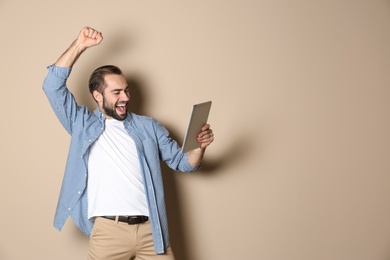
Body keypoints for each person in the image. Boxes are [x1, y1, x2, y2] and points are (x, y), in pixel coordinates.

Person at [42, 26, 214, 260]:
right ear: (97, 95)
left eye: (126, 91)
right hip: (108, 232)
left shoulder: (148, 127)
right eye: (116, 92)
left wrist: (199, 147)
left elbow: (183, 163)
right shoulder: (81, 123)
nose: (125, 98)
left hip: (151, 232)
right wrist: (79, 45)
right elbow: (52, 86)